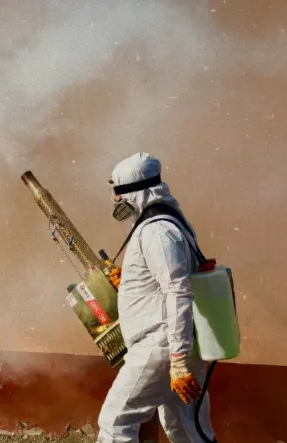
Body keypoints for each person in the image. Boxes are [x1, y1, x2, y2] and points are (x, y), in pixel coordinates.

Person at [96, 152, 215, 442]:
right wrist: (131, 280)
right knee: (186, 428)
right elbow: (166, 281)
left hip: (160, 345)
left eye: (119, 193)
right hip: (176, 343)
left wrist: (178, 362)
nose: (117, 201)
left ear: (135, 192)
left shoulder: (157, 231)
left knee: (116, 422)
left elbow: (178, 291)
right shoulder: (168, 222)